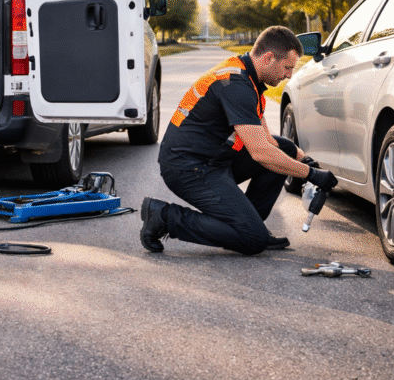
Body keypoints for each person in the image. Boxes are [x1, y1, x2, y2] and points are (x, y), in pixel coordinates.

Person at [139, 25, 337, 255]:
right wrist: (310, 175)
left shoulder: (248, 77)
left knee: (284, 148)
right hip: (188, 168)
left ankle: (244, 222)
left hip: (214, 160)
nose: (289, 75)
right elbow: (260, 152)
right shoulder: (236, 84)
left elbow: (268, 141)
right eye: (287, 67)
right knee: (254, 240)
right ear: (268, 57)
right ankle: (164, 216)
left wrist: (308, 162)